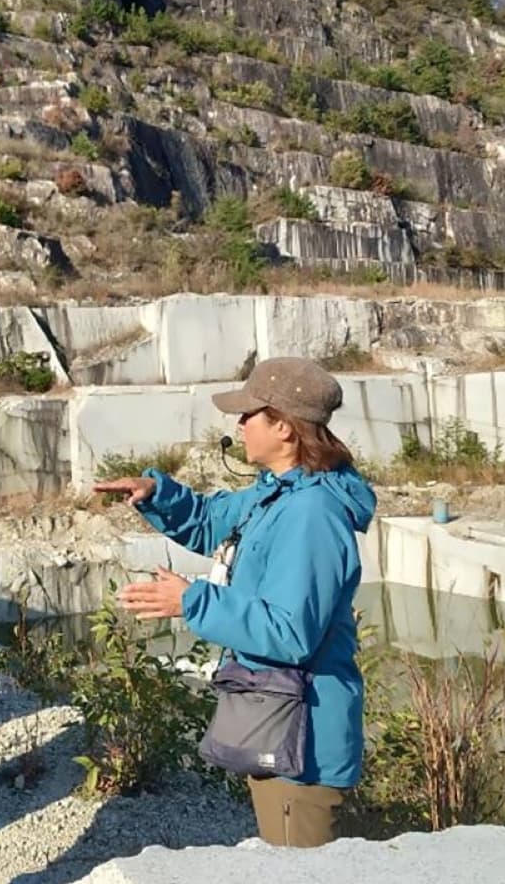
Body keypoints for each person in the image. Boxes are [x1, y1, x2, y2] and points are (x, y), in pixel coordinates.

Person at [99, 358, 375, 849]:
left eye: (251, 415)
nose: (239, 425)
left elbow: (290, 632)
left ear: (285, 429)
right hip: (280, 726)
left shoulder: (311, 513)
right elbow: (211, 522)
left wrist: (192, 601)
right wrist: (156, 495)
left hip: (303, 747)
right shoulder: (277, 496)